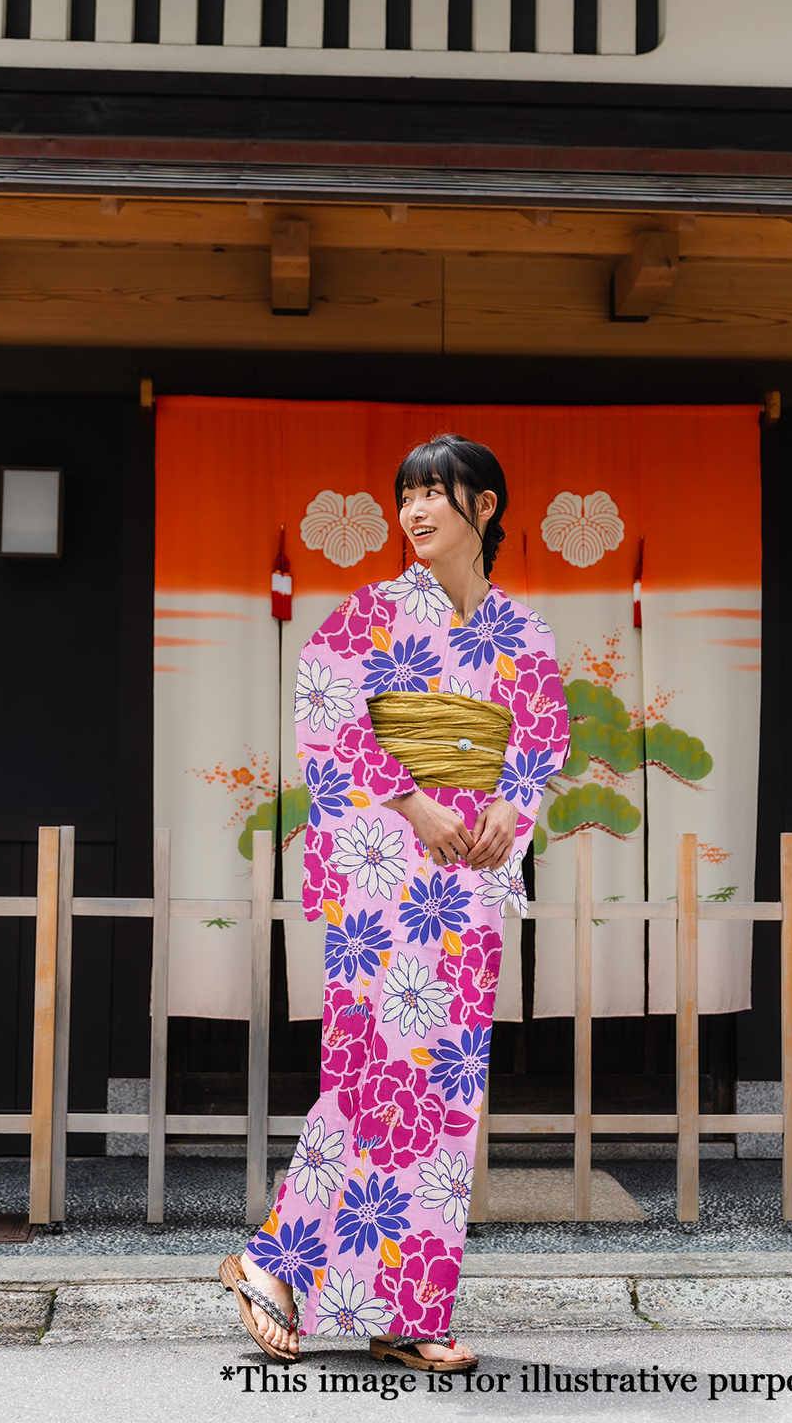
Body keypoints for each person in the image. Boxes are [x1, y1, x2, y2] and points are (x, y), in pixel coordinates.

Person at [220, 434, 570, 1370]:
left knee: (444, 1093)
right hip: (383, 872)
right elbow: (323, 712)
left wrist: (511, 804)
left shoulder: (525, 633)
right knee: (378, 1074)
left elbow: (541, 742)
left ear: (484, 508)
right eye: (406, 496)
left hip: (467, 878)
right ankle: (274, 1262)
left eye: (435, 495)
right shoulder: (368, 616)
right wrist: (414, 799)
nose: (415, 512)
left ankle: (408, 1308)